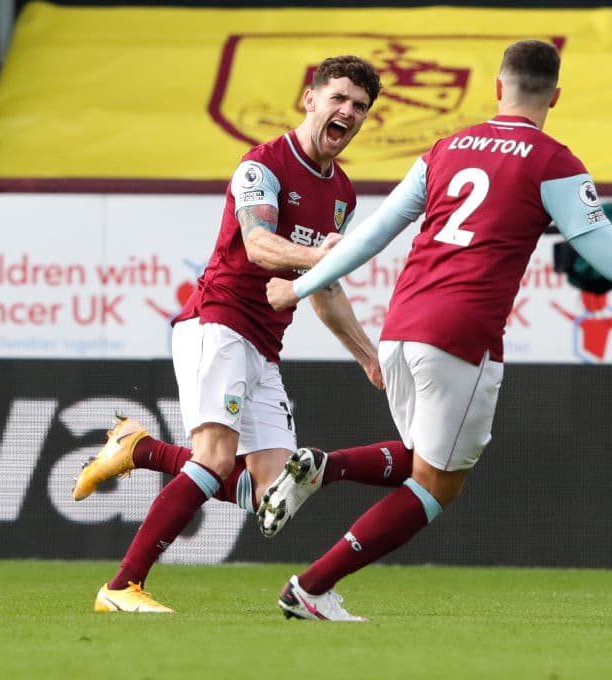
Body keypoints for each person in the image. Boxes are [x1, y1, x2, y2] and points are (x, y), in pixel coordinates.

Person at [263, 39, 612, 621]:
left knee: (420, 458)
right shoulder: (554, 162)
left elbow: (372, 235)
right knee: (437, 485)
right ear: (555, 96)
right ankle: (312, 586)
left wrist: (297, 287)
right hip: (462, 334)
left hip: (402, 325)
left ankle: (328, 468)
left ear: (498, 89)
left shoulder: (446, 148)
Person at [81, 55, 387, 613]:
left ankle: (141, 449)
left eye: (360, 106)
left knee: (272, 499)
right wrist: (322, 257)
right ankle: (122, 586)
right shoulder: (262, 164)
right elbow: (259, 245)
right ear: (310, 100)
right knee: (216, 455)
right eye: (339, 98)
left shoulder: (342, 194)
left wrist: (369, 357)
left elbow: (323, 288)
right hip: (217, 322)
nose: (348, 111)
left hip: (265, 346)